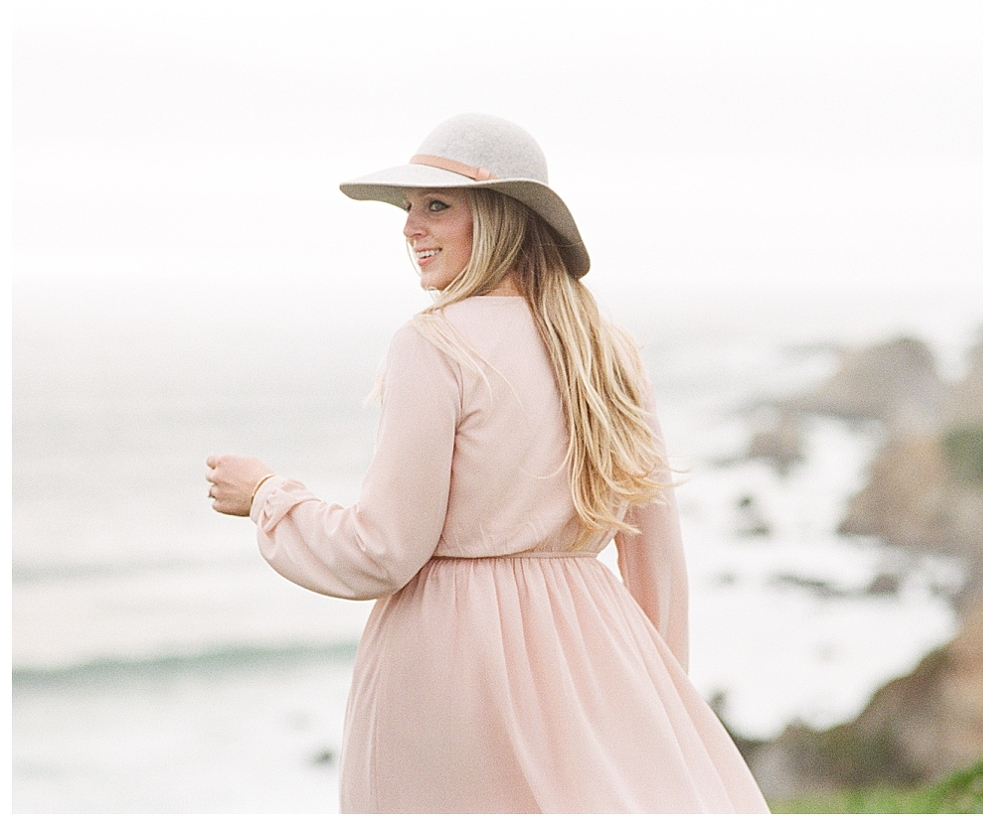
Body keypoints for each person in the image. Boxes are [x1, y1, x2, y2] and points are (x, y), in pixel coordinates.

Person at [205, 114, 770, 814]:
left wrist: (265, 494)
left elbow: (380, 551)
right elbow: (657, 557)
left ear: (502, 217)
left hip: (451, 667)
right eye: (409, 208)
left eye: (436, 205)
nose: (411, 227)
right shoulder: (609, 352)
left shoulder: (434, 346)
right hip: (597, 654)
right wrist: (654, 694)